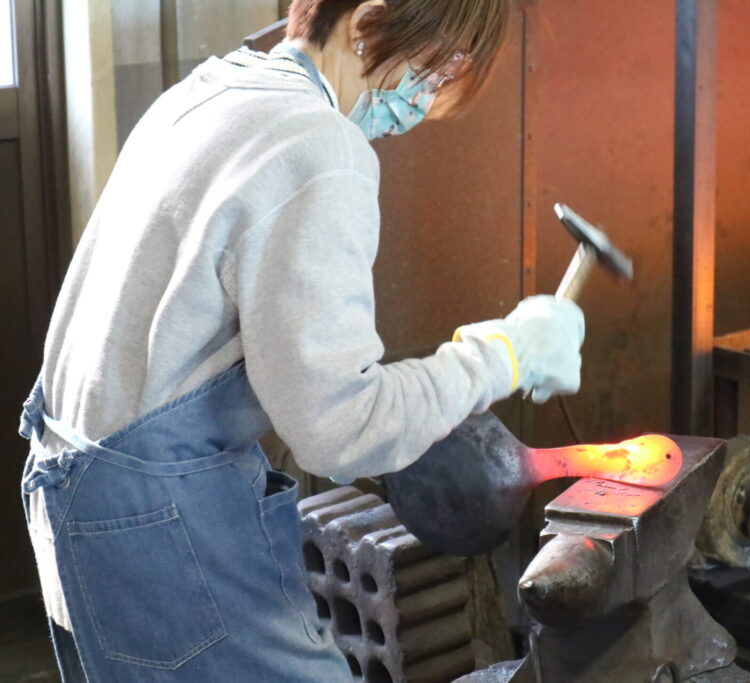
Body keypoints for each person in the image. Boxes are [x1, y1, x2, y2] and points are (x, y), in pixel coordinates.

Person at [18, 0, 585, 680]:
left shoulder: (211, 88)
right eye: (433, 74)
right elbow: (343, 428)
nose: (424, 107)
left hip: (70, 494)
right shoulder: (318, 145)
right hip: (155, 521)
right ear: (366, 24)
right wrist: (504, 353)